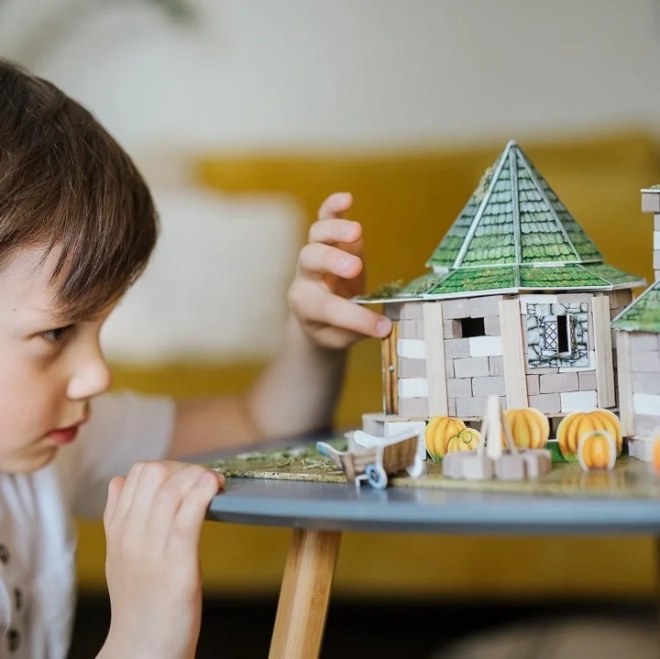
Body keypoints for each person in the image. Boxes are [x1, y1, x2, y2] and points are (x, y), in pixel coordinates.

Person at [0, 59, 392, 658]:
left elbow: (258, 425)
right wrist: (142, 638)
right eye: (56, 332)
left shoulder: (47, 448)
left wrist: (311, 340)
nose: (97, 374)